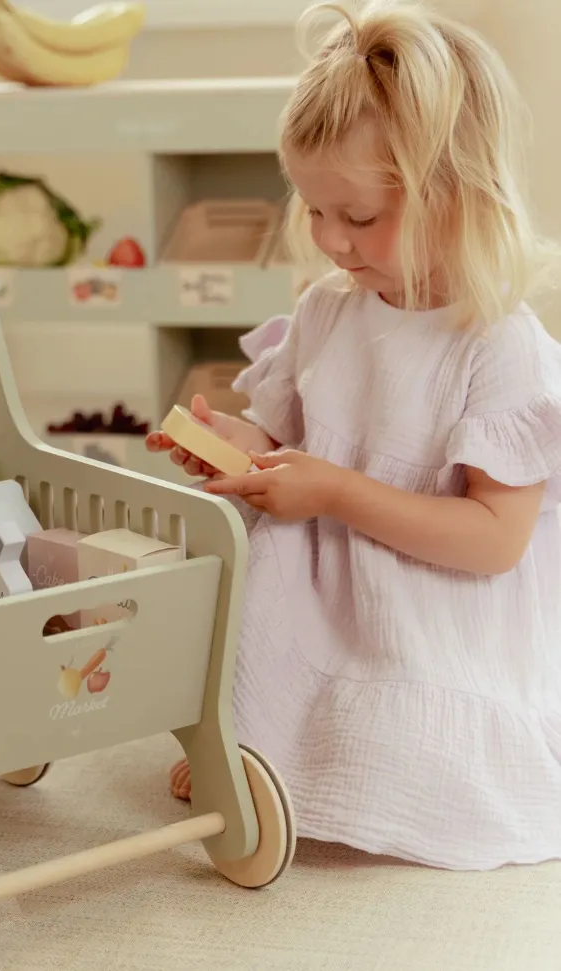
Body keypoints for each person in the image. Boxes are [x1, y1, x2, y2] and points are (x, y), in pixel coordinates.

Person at [148, 0, 561, 871]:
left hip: (435, 600)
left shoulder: (498, 345)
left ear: (457, 195)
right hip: (326, 576)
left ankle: (303, 759)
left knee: (416, 761)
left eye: (360, 217)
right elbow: (285, 437)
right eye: (313, 210)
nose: (333, 240)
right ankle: (255, 745)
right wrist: (233, 441)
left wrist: (336, 491)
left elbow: (495, 540)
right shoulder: (329, 312)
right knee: (248, 570)